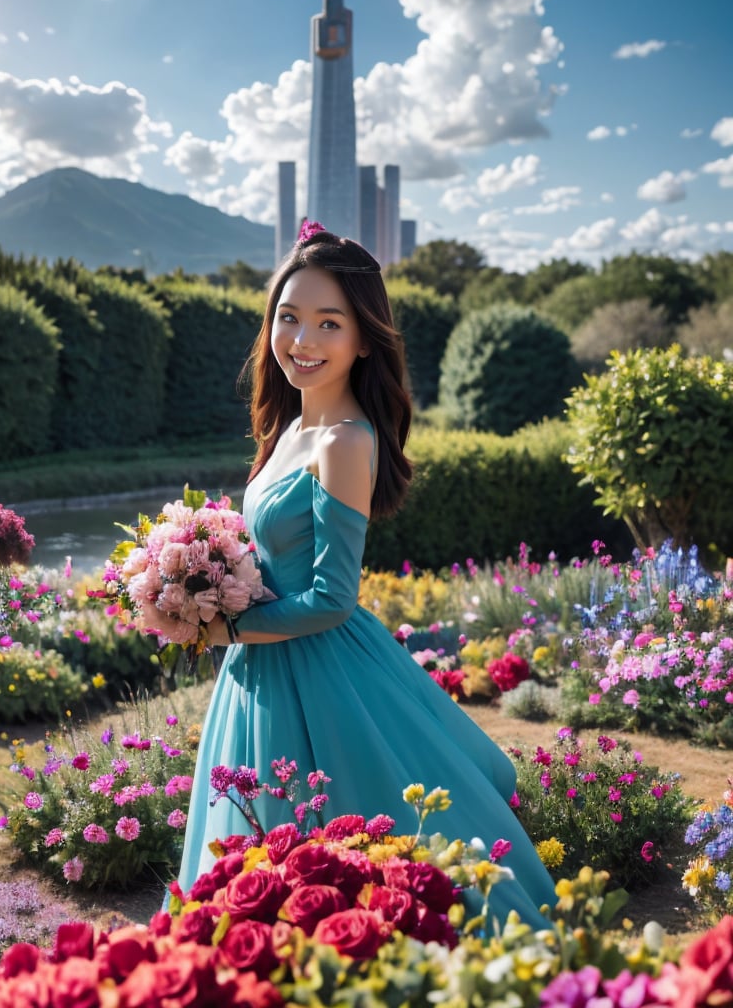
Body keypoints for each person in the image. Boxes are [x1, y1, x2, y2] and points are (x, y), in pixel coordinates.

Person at [175, 223, 556, 929]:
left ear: (363, 338)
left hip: (318, 671)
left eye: (329, 323)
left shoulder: (347, 441)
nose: (303, 340)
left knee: (341, 838)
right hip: (256, 670)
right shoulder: (287, 428)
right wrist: (193, 576)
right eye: (289, 318)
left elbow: (329, 599)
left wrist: (217, 625)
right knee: (257, 848)